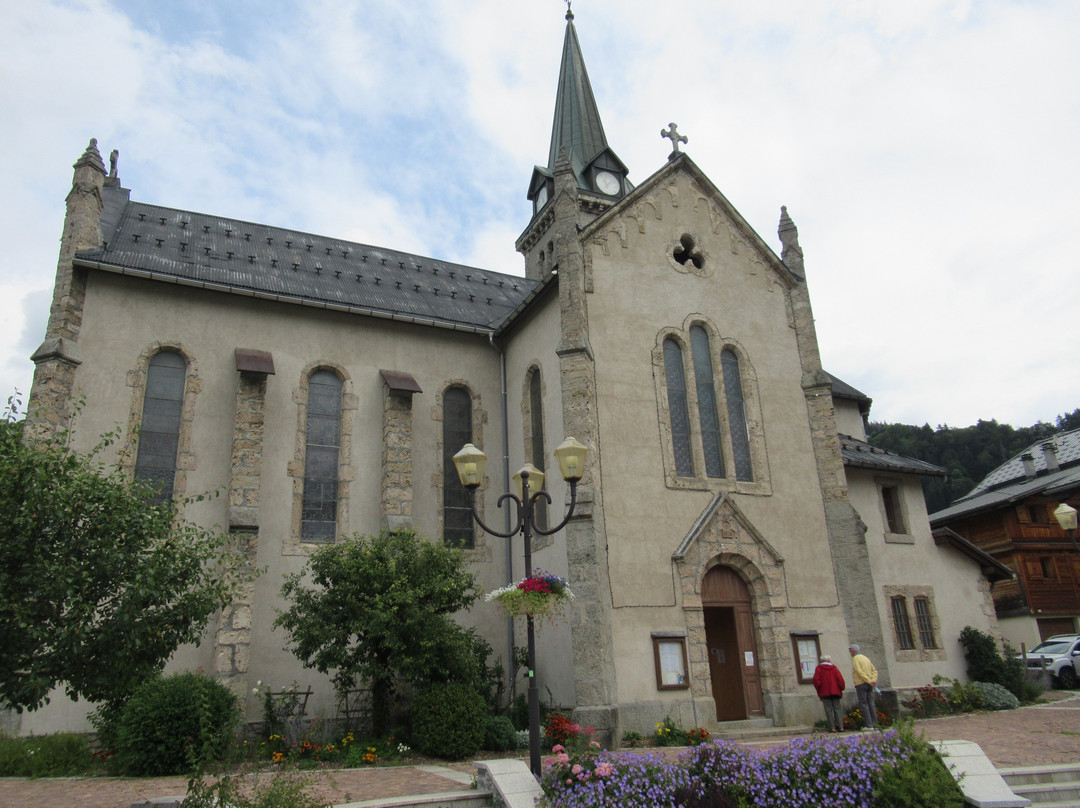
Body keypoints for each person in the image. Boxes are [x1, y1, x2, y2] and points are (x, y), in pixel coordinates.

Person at [812, 654, 845, 732]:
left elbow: (816, 681)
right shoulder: (834, 668)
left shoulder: (819, 668)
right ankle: (841, 726)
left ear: (821, 661)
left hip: (825, 692)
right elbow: (840, 679)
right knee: (837, 709)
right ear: (829, 660)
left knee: (828, 710)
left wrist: (819, 690)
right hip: (835, 691)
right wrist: (841, 688)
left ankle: (832, 727)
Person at [849, 644, 879, 730]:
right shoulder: (866, 658)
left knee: (864, 704)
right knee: (871, 703)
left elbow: (859, 671)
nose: (850, 653)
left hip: (861, 683)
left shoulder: (856, 658)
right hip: (869, 684)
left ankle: (869, 725)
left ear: (853, 650)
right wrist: (873, 680)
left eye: (850, 651)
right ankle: (875, 724)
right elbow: (874, 670)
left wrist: (868, 680)